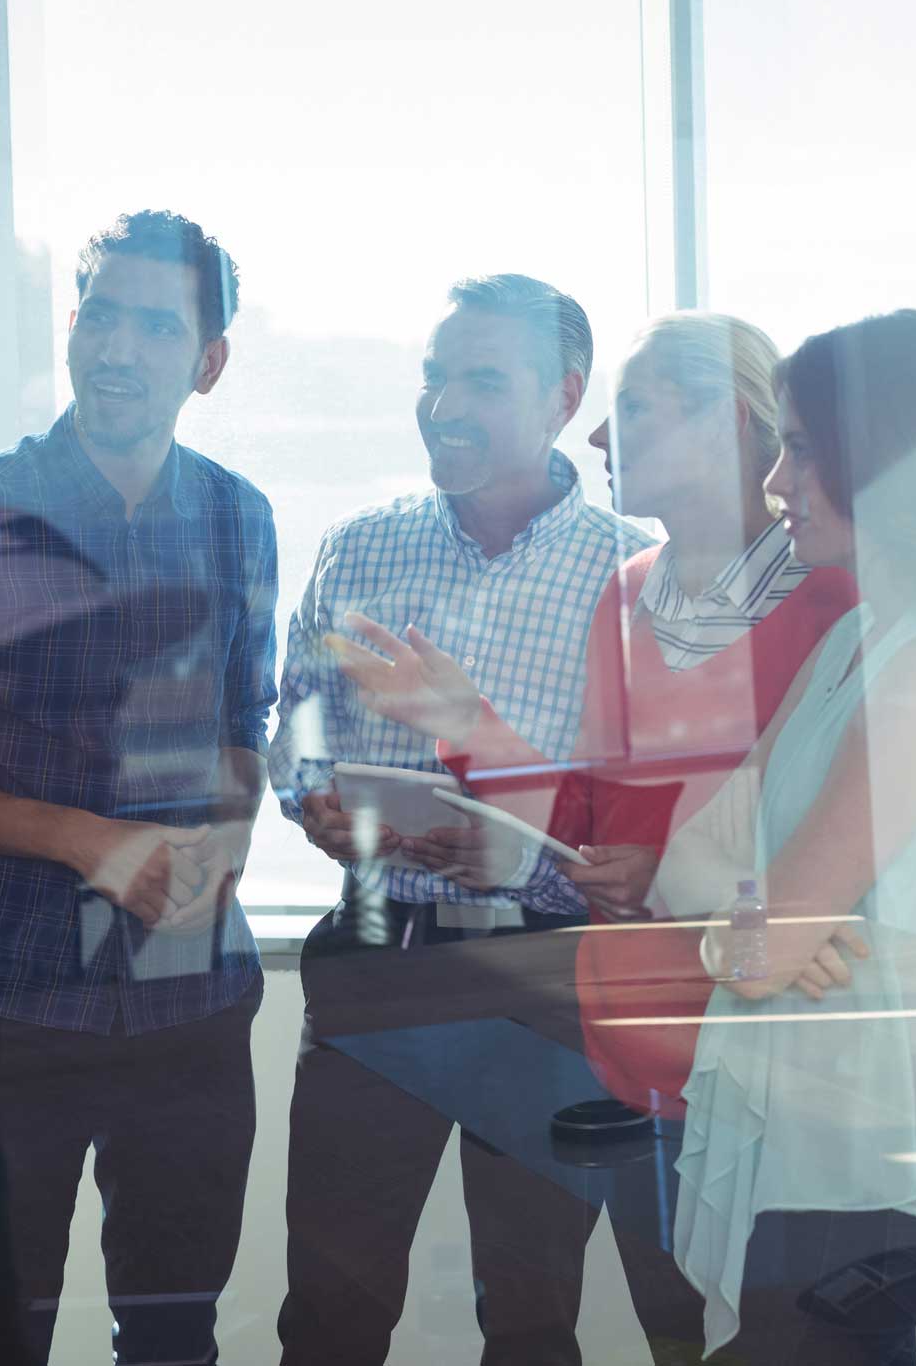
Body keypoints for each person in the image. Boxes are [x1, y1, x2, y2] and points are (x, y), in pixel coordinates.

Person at [334, 312, 859, 1361]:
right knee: (661, 1325)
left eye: (635, 413)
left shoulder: (833, 599)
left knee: (749, 1333)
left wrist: (664, 872)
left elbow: (834, 838)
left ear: (732, 421)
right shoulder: (628, 594)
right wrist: (464, 722)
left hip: (757, 1042)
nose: (602, 442)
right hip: (623, 1035)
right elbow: (586, 822)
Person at [0, 210, 276, 1365]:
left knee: (178, 1336)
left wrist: (221, 847)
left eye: (155, 324)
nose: (117, 349)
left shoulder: (240, 516)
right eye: (99, 314)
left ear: (208, 360)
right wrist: (82, 838)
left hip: (191, 1005)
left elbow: (248, 726)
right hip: (9, 1004)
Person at [270, 274, 651, 1365]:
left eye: (482, 379)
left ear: (562, 396)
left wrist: (523, 860)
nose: (443, 402)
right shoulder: (360, 547)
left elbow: (642, 812)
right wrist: (316, 803)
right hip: (379, 952)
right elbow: (292, 715)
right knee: (329, 1319)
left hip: (545, 979)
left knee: (532, 1322)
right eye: (434, 377)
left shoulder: (630, 574)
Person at [666, 308, 916, 1363]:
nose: (776, 481)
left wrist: (743, 931)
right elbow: (699, 858)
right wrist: (754, 923)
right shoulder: (858, 637)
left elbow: (760, 940)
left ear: (891, 459)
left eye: (803, 448)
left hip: (871, 1158)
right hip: (815, 1127)